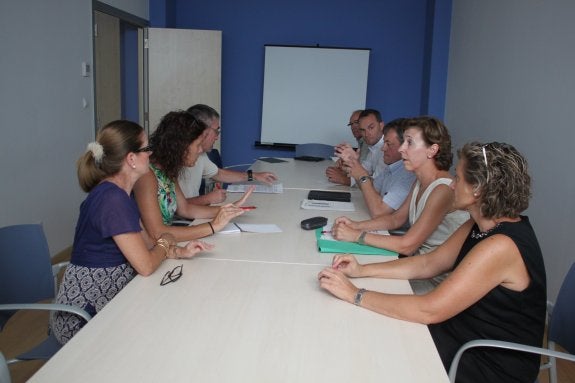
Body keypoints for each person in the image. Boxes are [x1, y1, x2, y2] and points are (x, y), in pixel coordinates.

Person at [318, 142, 547, 383]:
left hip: (486, 361)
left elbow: (431, 309)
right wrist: (362, 270)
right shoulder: (480, 224)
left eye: (457, 178)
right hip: (462, 333)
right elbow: (428, 264)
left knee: (376, 355)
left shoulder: (501, 245)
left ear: (478, 188)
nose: (451, 184)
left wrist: (355, 294)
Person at [50, 120, 214, 344]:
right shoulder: (112, 200)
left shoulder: (118, 194)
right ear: (131, 159)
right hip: (85, 318)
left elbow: (146, 243)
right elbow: (146, 265)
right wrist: (166, 242)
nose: (151, 152)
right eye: (146, 148)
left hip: (110, 303)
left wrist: (178, 252)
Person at [331, 117, 469, 293]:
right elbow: (396, 219)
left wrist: (356, 235)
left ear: (432, 150)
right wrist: (356, 225)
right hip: (416, 267)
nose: (402, 149)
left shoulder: (442, 189)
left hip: (436, 282)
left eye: (409, 143)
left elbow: (407, 245)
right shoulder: (420, 181)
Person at [134, 111, 252, 242]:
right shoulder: (147, 176)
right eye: (198, 145)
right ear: (181, 146)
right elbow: (158, 232)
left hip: (165, 244)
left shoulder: (168, 170)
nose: (201, 150)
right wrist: (212, 226)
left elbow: (185, 209)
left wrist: (229, 209)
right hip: (156, 246)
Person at [178, 104, 277, 205]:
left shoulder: (201, 154)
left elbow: (218, 174)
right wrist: (207, 199)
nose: (217, 137)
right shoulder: (173, 160)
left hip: (194, 212)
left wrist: (254, 175)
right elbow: (176, 207)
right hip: (183, 218)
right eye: (216, 131)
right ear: (202, 130)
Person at [344, 118, 416, 218]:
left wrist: (362, 175)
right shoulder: (392, 167)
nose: (383, 148)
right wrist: (355, 166)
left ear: (404, 146)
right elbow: (372, 189)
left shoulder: (408, 175)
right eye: (384, 143)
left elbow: (379, 212)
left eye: (389, 144)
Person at [325, 109, 386, 186]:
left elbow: (376, 184)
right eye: (363, 130)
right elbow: (364, 172)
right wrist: (351, 164)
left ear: (381, 126)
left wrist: (344, 180)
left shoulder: (385, 149)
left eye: (371, 127)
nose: (366, 134)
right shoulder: (373, 147)